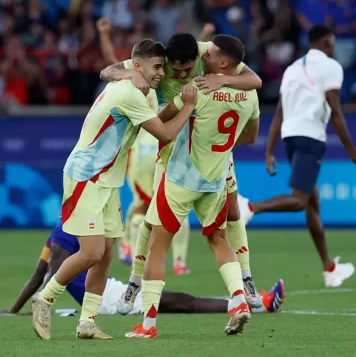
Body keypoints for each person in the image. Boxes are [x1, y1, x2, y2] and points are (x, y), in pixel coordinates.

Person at [31, 39, 198, 341]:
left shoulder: (132, 87)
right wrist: (188, 106)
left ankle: (87, 323)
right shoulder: (128, 94)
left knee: (106, 253)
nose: (161, 73)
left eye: (163, 66)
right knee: (92, 251)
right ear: (138, 66)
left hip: (108, 180)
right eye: (156, 66)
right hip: (86, 177)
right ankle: (45, 298)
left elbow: (111, 71)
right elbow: (164, 132)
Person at [100, 31, 263, 308]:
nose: (185, 74)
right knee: (152, 223)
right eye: (179, 69)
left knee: (233, 213)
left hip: (212, 150)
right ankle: (134, 283)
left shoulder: (206, 55)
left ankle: (247, 281)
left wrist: (223, 79)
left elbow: (254, 80)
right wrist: (133, 75)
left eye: (190, 68)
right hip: (174, 147)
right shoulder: (159, 62)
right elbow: (107, 71)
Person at [239, 25, 355, 288]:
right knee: (300, 201)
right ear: (327, 42)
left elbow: (280, 111)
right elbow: (335, 109)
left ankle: (330, 268)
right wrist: (351, 150)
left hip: (290, 137)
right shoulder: (331, 66)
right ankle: (249, 208)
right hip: (311, 137)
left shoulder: (292, 68)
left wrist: (269, 151)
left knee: (312, 200)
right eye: (332, 42)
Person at [1, 222, 285, 317]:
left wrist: (14, 311)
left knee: (176, 299)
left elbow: (39, 275)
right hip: (104, 303)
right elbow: (48, 274)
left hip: (109, 290)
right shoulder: (66, 228)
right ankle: (256, 305)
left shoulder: (59, 229)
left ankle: (248, 304)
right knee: (179, 302)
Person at [97, 18, 191, 274]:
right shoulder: (160, 84)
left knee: (141, 204)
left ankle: (127, 246)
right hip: (163, 150)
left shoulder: (135, 82)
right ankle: (179, 261)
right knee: (173, 206)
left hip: (140, 154)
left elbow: (110, 65)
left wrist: (104, 35)